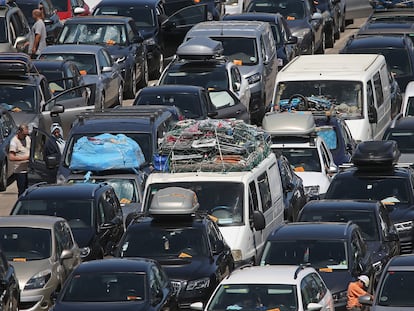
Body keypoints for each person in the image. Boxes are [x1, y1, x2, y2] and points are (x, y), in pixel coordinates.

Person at [9, 124, 31, 197]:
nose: (25, 136)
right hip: (20, 171)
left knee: (29, 192)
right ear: (20, 132)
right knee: (22, 192)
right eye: (24, 134)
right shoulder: (14, 141)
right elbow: (11, 157)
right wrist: (26, 158)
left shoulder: (28, 138)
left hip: (29, 170)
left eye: (26, 134)